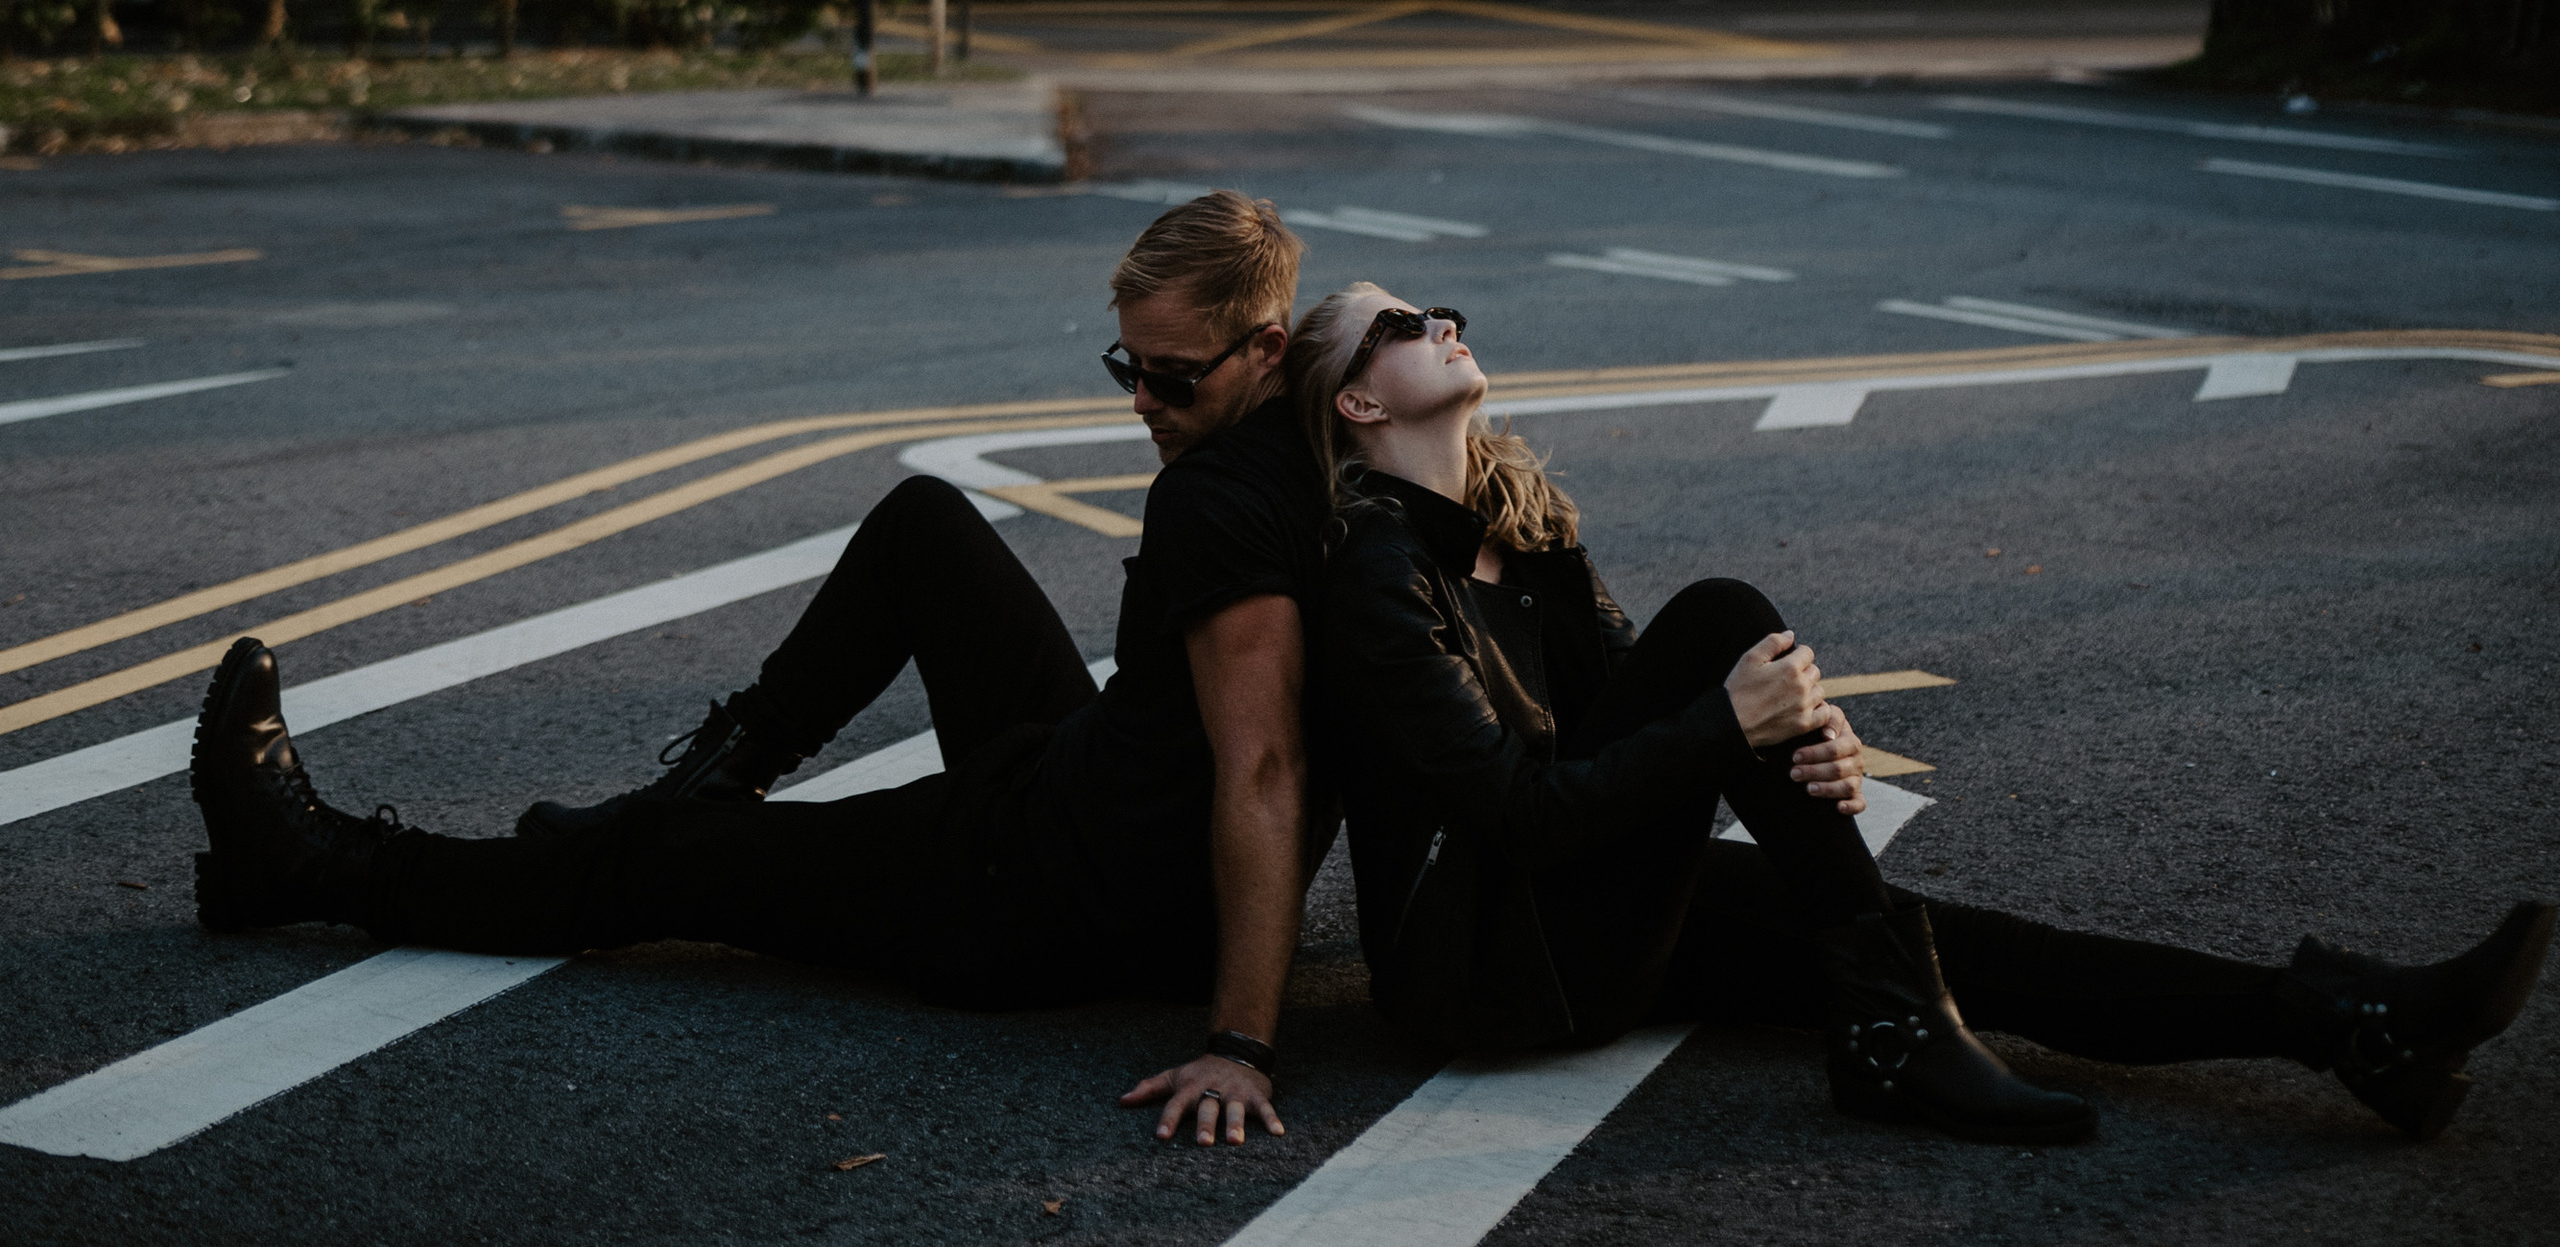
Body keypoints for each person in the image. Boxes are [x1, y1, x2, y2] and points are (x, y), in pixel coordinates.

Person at [1288, 282, 2553, 1150]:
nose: (1443, 323)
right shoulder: (1374, 575)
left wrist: (1788, 735)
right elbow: (1518, 813)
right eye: (1403, 322)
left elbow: (1643, 723)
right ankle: (1894, 1043)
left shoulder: (1525, 533)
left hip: (1586, 907)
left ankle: (2352, 1027)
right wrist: (1737, 725)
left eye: (1442, 308)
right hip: (1491, 965)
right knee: (1725, 614)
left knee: (1937, 945)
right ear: (1357, 401)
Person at [188, 194, 1330, 1148]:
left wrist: (1239, 1043)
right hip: (1077, 797)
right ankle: (714, 781)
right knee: (924, 523)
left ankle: (306, 867)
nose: (1144, 403)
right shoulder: (1343, 435)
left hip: (1029, 895)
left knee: (661, 861)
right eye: (1126, 369)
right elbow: (1378, 323)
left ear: (1266, 347)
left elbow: (1267, 764)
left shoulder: (1215, 504)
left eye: (1174, 380)